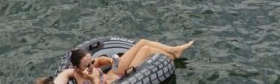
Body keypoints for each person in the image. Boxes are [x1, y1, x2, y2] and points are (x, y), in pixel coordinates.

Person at [46, 39, 194, 84]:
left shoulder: (88, 66)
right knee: (147, 51)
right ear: (77, 68)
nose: (91, 66)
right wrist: (96, 78)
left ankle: (175, 51)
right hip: (121, 80)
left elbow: (100, 60)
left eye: (91, 62)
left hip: (115, 72)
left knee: (143, 44)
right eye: (87, 65)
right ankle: (174, 54)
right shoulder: (78, 77)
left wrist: (113, 60)